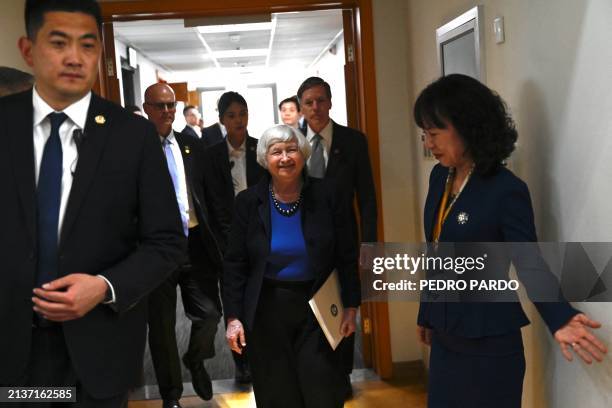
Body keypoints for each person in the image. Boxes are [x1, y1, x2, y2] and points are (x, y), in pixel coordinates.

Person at [0, 1, 185, 407]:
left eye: (87, 45)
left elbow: (167, 242)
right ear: (29, 50)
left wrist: (105, 287)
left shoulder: (131, 136)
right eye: (59, 42)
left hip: (99, 348)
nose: (74, 57)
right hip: (14, 352)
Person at [414, 73, 608, 407]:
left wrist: (559, 317)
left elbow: (529, 261)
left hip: (488, 344)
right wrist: (427, 312)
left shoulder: (505, 190)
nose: (429, 144)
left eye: (434, 133)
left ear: (467, 126)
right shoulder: (438, 177)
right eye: (425, 135)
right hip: (446, 339)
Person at [223, 124, 360, 408]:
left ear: (304, 153)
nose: (285, 158)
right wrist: (234, 317)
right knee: (277, 392)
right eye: (276, 152)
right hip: (266, 308)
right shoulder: (248, 202)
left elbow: (347, 255)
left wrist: (351, 305)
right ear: (265, 158)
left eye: (291, 149)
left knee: (322, 388)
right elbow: (235, 263)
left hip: (319, 305)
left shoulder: (329, 194)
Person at [143, 83, 223, 408]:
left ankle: (196, 357)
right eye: (160, 106)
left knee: (210, 314)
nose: (167, 112)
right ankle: (171, 395)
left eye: (171, 106)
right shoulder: (135, 149)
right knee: (161, 328)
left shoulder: (191, 144)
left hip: (195, 246)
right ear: (147, 108)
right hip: (156, 251)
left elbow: (208, 195)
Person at [297, 76, 378, 393]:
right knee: (307, 303)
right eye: (308, 102)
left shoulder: (354, 141)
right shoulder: (291, 143)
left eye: (320, 100)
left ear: (330, 102)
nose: (315, 107)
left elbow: (367, 197)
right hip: (302, 240)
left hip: (344, 238)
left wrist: (368, 244)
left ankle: (342, 372)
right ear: (301, 107)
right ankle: (311, 371)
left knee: (345, 303)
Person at [203, 91, 266, 383]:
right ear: (221, 120)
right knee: (234, 301)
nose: (238, 120)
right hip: (227, 241)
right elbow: (213, 204)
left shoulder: (261, 149)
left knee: (261, 298)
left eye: (242, 113)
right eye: (231, 115)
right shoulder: (211, 155)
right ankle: (241, 363)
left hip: (261, 235)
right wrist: (226, 242)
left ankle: (263, 356)